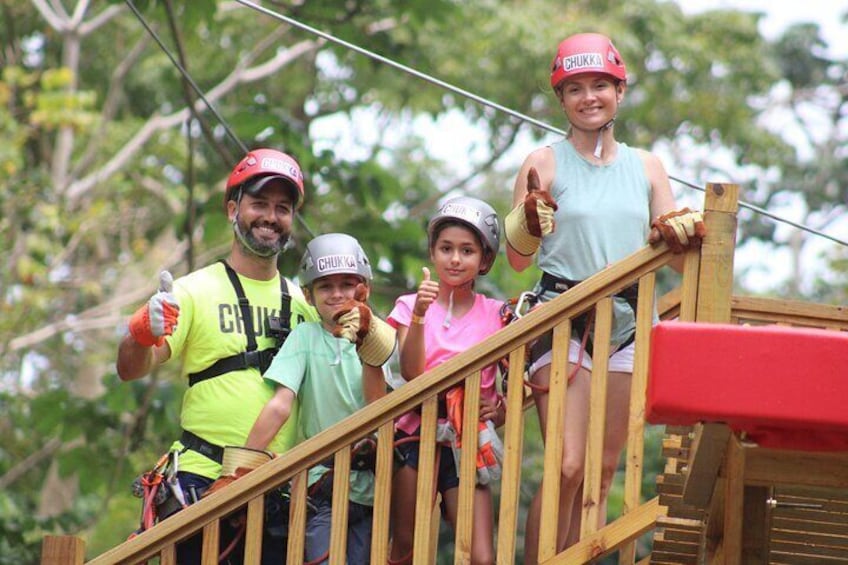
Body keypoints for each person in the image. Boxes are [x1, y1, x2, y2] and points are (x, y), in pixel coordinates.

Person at [506, 33, 706, 562]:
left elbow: (680, 258)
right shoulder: (543, 162)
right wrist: (527, 220)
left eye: (600, 85)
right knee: (567, 464)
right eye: (575, 88)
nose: (589, 97)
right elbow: (518, 259)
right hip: (563, 316)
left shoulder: (647, 167)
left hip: (626, 320)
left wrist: (681, 232)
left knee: (603, 467)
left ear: (620, 92)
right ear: (562, 98)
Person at [116, 147, 318, 563]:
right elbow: (131, 369)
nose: (270, 216)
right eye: (259, 203)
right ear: (232, 209)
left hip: (277, 490)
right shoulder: (194, 290)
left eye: (283, 208)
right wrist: (139, 333)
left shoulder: (306, 304)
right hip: (201, 485)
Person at [242, 233, 394, 564]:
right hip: (321, 485)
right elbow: (282, 403)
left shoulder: (380, 336)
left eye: (347, 284)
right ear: (309, 296)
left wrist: (366, 342)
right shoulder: (305, 337)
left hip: (372, 486)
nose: (337, 294)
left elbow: (377, 405)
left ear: (363, 288)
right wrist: (241, 467)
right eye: (325, 286)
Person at [388, 196, 506, 565]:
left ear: (484, 259)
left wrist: (498, 408)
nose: (455, 259)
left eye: (467, 250)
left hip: (466, 437)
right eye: (446, 248)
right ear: (433, 253)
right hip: (414, 435)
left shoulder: (496, 315)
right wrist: (421, 315)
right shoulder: (411, 304)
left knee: (481, 556)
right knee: (405, 543)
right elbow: (411, 371)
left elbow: (512, 383)